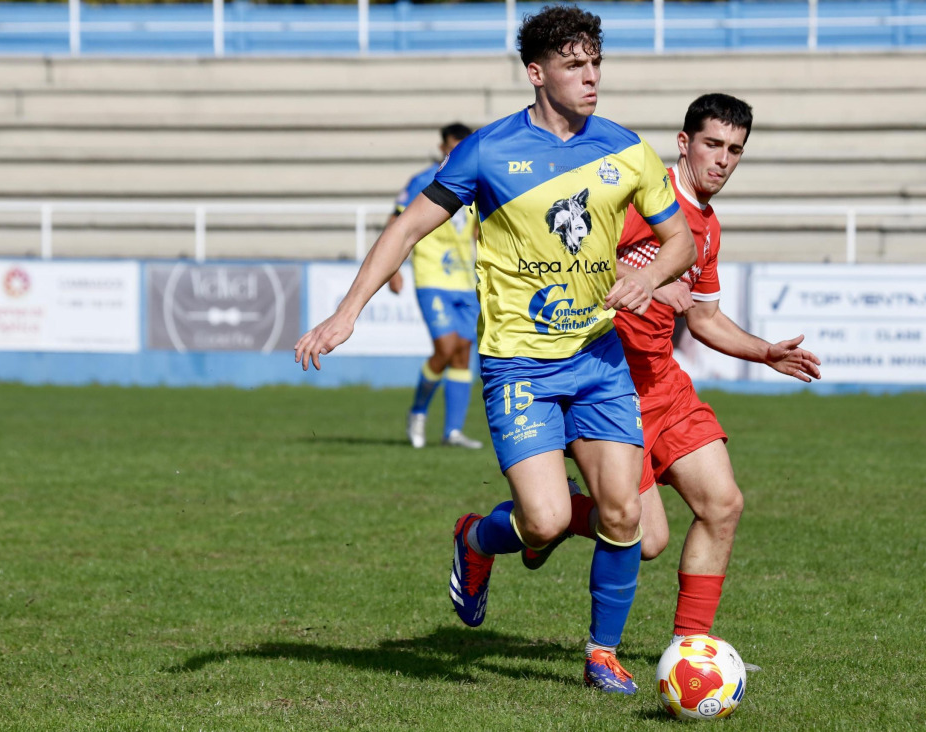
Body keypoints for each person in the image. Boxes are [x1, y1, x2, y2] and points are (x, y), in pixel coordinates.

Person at [293, 5, 696, 694]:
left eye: (596, 63)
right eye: (574, 65)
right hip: (519, 364)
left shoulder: (626, 148)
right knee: (541, 522)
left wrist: (649, 274)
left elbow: (679, 239)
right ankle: (476, 539)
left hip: (598, 359)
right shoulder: (487, 151)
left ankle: (602, 654)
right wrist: (346, 310)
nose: (591, 77)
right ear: (536, 73)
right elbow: (407, 226)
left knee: (626, 514)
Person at [523, 94, 822, 658]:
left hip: (663, 383)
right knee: (649, 539)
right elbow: (571, 255)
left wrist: (764, 353)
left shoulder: (707, 229)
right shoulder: (641, 196)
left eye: (735, 150)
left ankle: (691, 649)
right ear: (684, 143)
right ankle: (557, 515)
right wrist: (654, 284)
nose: (723, 160)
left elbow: (703, 317)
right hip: (608, 381)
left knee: (724, 503)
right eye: (712, 144)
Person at [387, 123, 485, 450]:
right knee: (445, 347)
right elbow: (397, 222)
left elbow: (475, 230)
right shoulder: (423, 179)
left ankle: (452, 432)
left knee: (462, 353)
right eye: (454, 146)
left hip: (464, 279)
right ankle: (417, 412)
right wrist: (393, 268)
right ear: (443, 146)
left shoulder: (475, 179)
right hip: (432, 278)